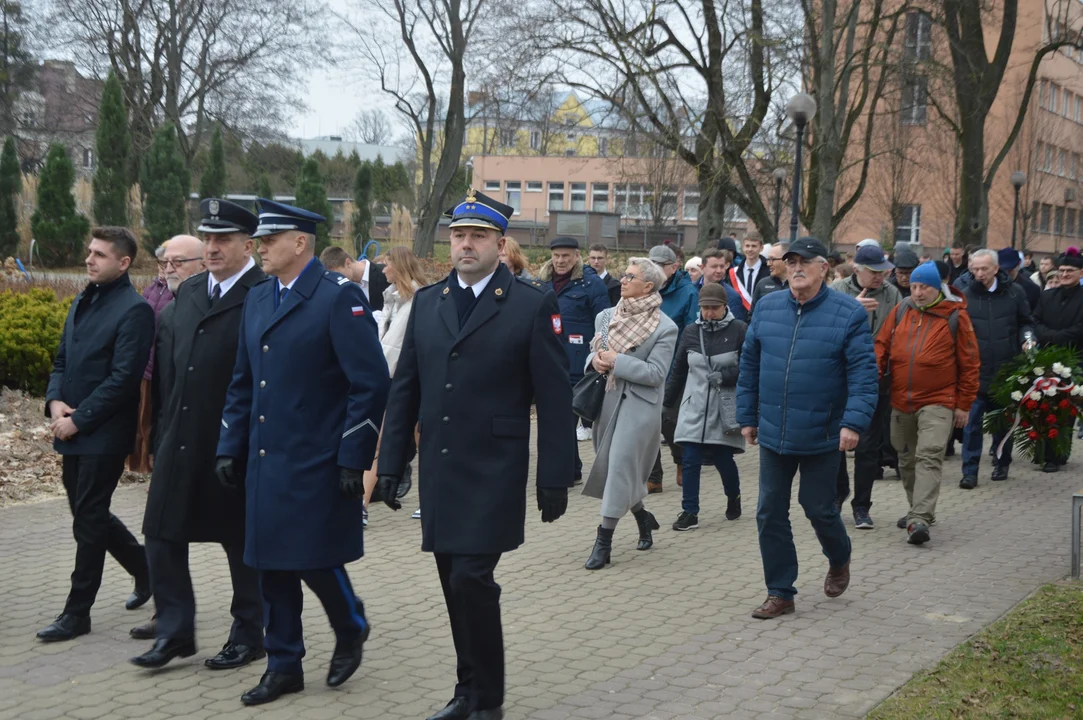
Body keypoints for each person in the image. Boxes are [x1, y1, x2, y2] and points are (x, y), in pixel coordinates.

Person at [374, 190, 574, 720]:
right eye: (459, 235)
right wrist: (392, 464)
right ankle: (467, 691)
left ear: (500, 244)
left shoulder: (531, 305)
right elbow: (405, 390)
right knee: (451, 582)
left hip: (494, 469)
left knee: (471, 580)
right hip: (441, 467)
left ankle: (488, 698)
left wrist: (555, 474)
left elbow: (555, 397)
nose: (466, 244)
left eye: (478, 236)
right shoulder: (430, 302)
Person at [216, 200, 390, 705]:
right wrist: (230, 444)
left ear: (299, 243)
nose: (259, 249)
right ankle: (284, 663)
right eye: (258, 241)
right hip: (266, 457)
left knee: (312, 558)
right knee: (270, 563)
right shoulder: (259, 297)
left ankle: (350, 623)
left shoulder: (337, 298)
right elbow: (243, 380)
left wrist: (352, 455)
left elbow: (370, 382)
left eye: (268, 241)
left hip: (316, 456)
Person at [130, 200, 267, 670]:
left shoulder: (264, 294)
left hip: (235, 444)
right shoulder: (187, 294)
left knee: (240, 542)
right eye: (207, 238)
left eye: (222, 239)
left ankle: (250, 633)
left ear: (248, 245)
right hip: (179, 438)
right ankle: (174, 632)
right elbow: (168, 370)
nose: (212, 247)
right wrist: (160, 434)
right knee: (161, 533)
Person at [736, 237, 878, 620]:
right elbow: (749, 365)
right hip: (774, 430)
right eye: (791, 261)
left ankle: (839, 555)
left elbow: (864, 375)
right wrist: (747, 416)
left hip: (823, 432)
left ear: (823, 269)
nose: (796, 268)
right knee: (769, 511)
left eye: (805, 262)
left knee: (818, 508)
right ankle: (781, 592)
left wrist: (853, 422)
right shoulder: (766, 309)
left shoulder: (847, 314)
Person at [37, 227, 155, 642]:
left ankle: (77, 612)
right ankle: (145, 569)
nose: (89, 259)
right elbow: (61, 360)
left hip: (103, 432)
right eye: (89, 252)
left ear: (123, 263)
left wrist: (79, 419)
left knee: (88, 520)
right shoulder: (83, 298)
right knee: (87, 514)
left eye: (100, 255)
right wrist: (54, 403)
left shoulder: (134, 310)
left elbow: (124, 380)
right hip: (71, 426)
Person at [582, 257, 678, 567]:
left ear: (648, 286)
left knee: (622, 463)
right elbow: (595, 352)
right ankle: (643, 517)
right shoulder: (606, 316)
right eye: (624, 275)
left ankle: (603, 541)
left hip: (640, 407)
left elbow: (656, 373)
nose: (623, 280)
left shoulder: (665, 326)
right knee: (615, 469)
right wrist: (596, 361)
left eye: (631, 276)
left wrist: (617, 361)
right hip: (606, 401)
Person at [875, 262, 980, 545]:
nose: (918, 293)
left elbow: (970, 364)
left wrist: (964, 404)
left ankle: (920, 518)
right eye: (914, 287)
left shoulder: (956, 317)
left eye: (925, 287)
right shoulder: (901, 311)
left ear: (938, 288)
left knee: (929, 455)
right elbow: (881, 347)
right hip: (901, 400)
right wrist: (872, 376)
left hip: (939, 400)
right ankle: (915, 510)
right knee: (906, 459)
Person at [829, 244, 901, 529]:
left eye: (883, 272)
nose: (880, 277)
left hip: (876, 378)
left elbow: (898, 331)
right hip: (839, 377)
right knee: (837, 441)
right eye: (874, 272)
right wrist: (851, 310)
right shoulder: (836, 291)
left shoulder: (892, 294)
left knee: (868, 445)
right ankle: (838, 494)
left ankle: (862, 506)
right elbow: (823, 328)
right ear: (857, 269)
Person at [664, 282, 746, 531]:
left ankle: (734, 496)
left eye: (714, 308)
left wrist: (726, 376)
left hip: (723, 406)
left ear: (724, 307)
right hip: (693, 405)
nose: (709, 312)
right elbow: (678, 370)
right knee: (690, 458)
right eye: (705, 308)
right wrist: (666, 405)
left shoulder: (740, 330)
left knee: (723, 458)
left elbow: (751, 368)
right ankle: (690, 512)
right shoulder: (690, 332)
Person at [959, 248, 1034, 489]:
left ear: (995, 268)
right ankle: (969, 471)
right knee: (972, 426)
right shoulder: (965, 294)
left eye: (984, 269)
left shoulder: (1014, 293)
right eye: (975, 269)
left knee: (1002, 422)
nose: (979, 274)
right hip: (975, 371)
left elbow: (1026, 322)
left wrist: (1028, 339)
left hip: (1005, 370)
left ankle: (1002, 463)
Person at [362, 246, 428, 518]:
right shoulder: (389, 299)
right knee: (379, 440)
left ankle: (430, 499)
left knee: (424, 439)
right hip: (388, 379)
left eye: (386, 265)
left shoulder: (421, 299)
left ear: (399, 266)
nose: (383, 270)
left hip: (412, 380)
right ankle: (361, 507)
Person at [536, 236, 610, 479]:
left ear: (577, 255)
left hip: (577, 364)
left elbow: (605, 323)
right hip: (547, 360)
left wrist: (600, 355)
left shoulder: (591, 284)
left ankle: (565, 471)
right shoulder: (541, 282)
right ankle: (573, 467)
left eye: (566, 256)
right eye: (556, 256)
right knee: (555, 418)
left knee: (566, 419)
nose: (560, 261)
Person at [646, 243, 699, 493]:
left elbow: (692, 332)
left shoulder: (688, 293)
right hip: (645, 366)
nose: (653, 270)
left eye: (659, 266)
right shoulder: (643, 289)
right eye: (651, 264)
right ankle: (654, 476)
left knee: (668, 421)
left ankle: (680, 460)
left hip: (675, 368)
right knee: (646, 423)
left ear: (674, 267)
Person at [1032, 251, 1083, 471]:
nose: (1064, 275)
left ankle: (1058, 453)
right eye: (1061, 271)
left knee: (1065, 408)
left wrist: (1053, 336)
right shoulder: (1047, 295)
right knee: (1043, 405)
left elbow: (1080, 329)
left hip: (1075, 359)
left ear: (1081, 272)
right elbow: (1035, 320)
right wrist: (1047, 335)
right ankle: (1043, 452)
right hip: (1047, 359)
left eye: (1069, 271)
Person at [129, 244, 176, 474]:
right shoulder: (151, 289)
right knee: (142, 419)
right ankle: (144, 466)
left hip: (164, 367)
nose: (163, 269)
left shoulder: (177, 292)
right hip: (146, 365)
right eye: (160, 263)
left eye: (168, 263)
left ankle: (158, 470)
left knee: (155, 421)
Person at [319, 245, 390, 313]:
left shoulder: (385, 273)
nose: (336, 279)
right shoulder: (344, 289)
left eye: (338, 274)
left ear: (348, 263)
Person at [698, 248, 747, 322]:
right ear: (702, 267)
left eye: (722, 266)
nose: (719, 271)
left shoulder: (732, 296)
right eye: (714, 266)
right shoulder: (690, 291)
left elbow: (736, 328)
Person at [730, 233, 769, 315]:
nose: (750, 249)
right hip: (739, 317)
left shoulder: (769, 270)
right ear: (743, 247)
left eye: (754, 246)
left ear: (761, 248)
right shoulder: (734, 272)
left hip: (762, 314)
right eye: (747, 246)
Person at [750, 242, 788, 315]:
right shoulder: (762, 284)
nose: (768, 263)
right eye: (768, 259)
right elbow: (752, 316)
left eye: (772, 259)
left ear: (786, 260)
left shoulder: (799, 286)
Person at [998, 248, 1040, 312]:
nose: (1006, 273)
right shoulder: (988, 286)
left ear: (1019, 264)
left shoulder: (1032, 289)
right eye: (1002, 270)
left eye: (1010, 270)